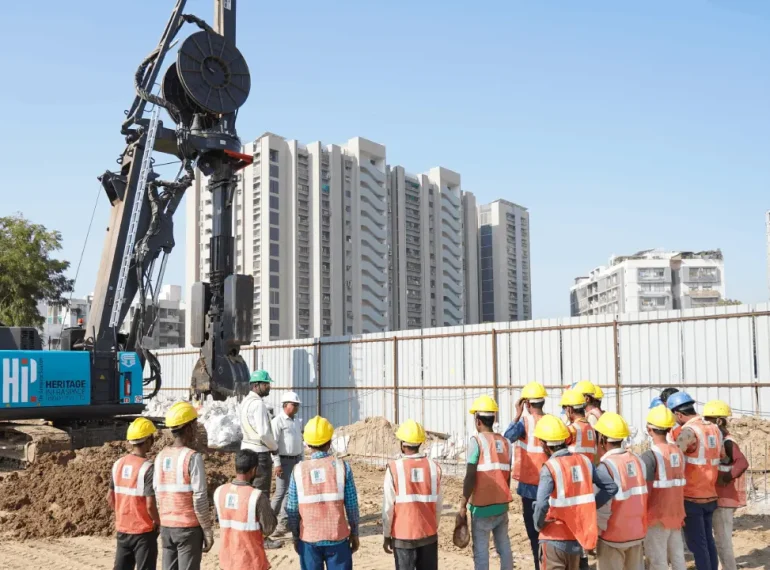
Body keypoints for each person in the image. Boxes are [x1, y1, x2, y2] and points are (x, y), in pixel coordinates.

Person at [533, 414, 618, 570]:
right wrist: (591, 506)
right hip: (578, 537)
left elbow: (541, 504)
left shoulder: (550, 468)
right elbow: (611, 487)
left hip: (554, 538)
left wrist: (539, 525)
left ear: (545, 445)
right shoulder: (585, 462)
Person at [286, 415, 360, 570]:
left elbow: (292, 508)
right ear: (330, 441)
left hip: (309, 541)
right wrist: (354, 532)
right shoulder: (342, 467)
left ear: (306, 443)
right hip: (338, 539)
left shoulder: (298, 470)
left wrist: (295, 535)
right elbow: (352, 506)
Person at [668, 392, 724, 570]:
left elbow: (674, 458)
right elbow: (721, 455)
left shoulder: (689, 431)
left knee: (697, 545)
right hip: (710, 494)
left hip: (692, 497)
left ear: (678, 414)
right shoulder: (714, 428)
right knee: (708, 541)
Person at [154, 401, 213, 570]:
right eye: (195, 425)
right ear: (188, 428)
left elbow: (158, 494)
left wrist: (163, 520)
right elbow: (199, 497)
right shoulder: (192, 457)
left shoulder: (160, 456)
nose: (197, 429)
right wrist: (207, 531)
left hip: (167, 527)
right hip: (187, 528)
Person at [458, 395, 514, 570]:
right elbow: (507, 475)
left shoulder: (477, 442)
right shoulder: (505, 443)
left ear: (477, 421)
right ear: (494, 418)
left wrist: (463, 502)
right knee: (504, 546)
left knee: (481, 551)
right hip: (501, 505)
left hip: (481, 507)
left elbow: (470, 475)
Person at [382, 419, 443, 570]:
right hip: (428, 535)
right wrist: (431, 526)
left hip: (403, 537)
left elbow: (388, 507)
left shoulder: (394, 468)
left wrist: (386, 535)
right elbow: (439, 506)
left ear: (402, 443)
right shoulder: (434, 468)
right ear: (420, 443)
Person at [594, 412, 648, 570]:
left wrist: (596, 532)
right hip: (637, 533)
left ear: (602, 439)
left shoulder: (605, 468)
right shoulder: (638, 461)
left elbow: (603, 507)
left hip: (612, 537)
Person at [504, 381, 548, 570]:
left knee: (534, 534)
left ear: (527, 404)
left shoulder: (525, 422)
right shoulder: (551, 421)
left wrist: (517, 414)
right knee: (548, 533)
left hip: (530, 489)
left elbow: (507, 436)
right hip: (550, 486)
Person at [108, 417, 160, 570]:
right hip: (143, 531)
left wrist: (122, 514)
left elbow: (109, 497)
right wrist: (158, 522)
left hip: (123, 529)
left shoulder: (118, 464)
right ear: (148, 440)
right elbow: (150, 505)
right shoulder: (148, 468)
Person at [703, 400, 749, 570]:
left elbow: (742, 462)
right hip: (715, 496)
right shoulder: (715, 439)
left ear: (719, 421)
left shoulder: (727, 441)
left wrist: (726, 478)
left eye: (709, 420)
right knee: (716, 540)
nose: (705, 423)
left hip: (724, 498)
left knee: (723, 542)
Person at [639, 405, 686, 570]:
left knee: (657, 560)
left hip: (656, 516)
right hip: (676, 513)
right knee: (678, 558)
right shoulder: (678, 452)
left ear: (649, 429)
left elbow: (645, 489)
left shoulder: (650, 456)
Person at [213, 449, 277, 570]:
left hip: (227, 561)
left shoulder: (220, 491)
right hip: (251, 562)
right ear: (254, 470)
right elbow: (269, 528)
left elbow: (218, 519)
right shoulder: (256, 496)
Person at [240, 369, 279, 500]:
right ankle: (260, 520)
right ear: (256, 385)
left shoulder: (244, 402)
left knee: (247, 491)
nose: (269, 387)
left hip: (245, 452)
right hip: (260, 454)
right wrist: (274, 447)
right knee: (260, 494)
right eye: (266, 384)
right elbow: (263, 433)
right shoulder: (258, 404)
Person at [271, 391, 304, 537]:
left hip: (296, 460)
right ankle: (270, 522)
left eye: (297, 405)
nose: (296, 407)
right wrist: (276, 463)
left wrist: (302, 460)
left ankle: (286, 522)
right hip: (283, 461)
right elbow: (274, 444)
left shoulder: (297, 421)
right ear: (285, 405)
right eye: (294, 404)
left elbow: (300, 443)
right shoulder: (277, 421)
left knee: (292, 493)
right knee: (280, 493)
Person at [561, 389, 597, 462]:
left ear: (569, 409)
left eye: (564, 409)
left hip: (576, 469)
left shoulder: (572, 429)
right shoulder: (591, 428)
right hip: (589, 469)